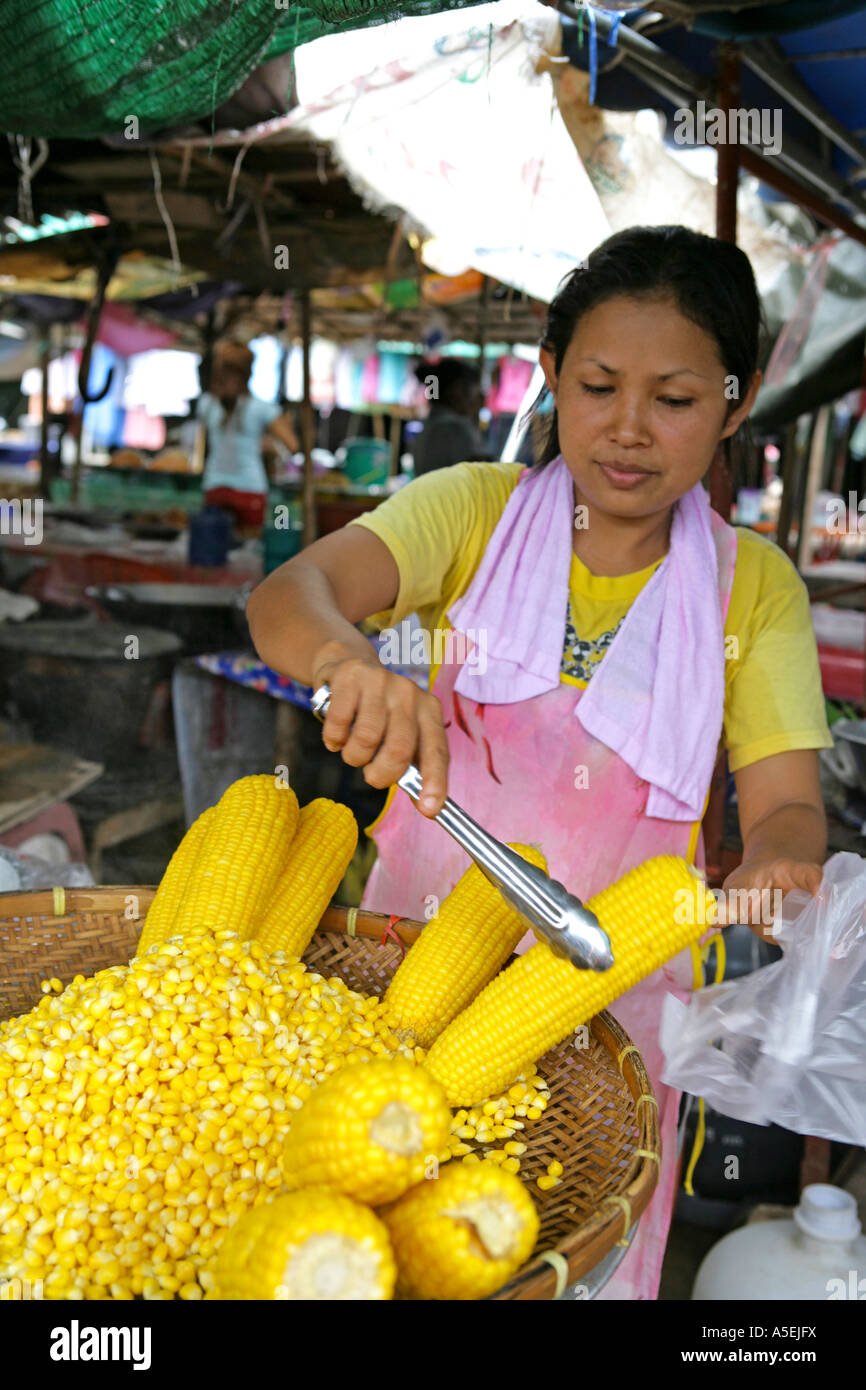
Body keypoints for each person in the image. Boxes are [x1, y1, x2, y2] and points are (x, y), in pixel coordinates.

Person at [246, 225, 832, 1299]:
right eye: (598, 384)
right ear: (550, 374)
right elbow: (286, 596)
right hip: (408, 976)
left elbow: (787, 803)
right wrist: (348, 663)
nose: (627, 430)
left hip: (607, 1014)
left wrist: (782, 864)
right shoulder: (472, 512)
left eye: (675, 399)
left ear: (734, 407)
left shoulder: (752, 589)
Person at [196, 340, 299, 532]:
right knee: (247, 555)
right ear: (249, 373)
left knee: (212, 552)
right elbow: (292, 445)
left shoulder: (206, 405)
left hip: (214, 489)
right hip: (250, 492)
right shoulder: (261, 409)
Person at [410, 357, 490, 474]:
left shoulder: (429, 426)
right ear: (458, 390)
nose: (481, 399)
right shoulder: (456, 429)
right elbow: (483, 473)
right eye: (477, 392)